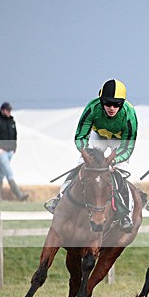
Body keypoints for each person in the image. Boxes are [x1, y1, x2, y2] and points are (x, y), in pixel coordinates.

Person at [45, 79, 138, 231]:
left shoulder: (129, 115)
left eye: (117, 104)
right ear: (101, 100)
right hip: (99, 137)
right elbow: (80, 136)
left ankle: (126, 214)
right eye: (108, 103)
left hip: (119, 142)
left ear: (122, 104)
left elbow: (127, 147)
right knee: (80, 165)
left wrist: (113, 161)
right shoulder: (92, 108)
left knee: (121, 173)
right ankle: (59, 199)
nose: (112, 108)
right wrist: (85, 154)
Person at [0, 102, 28, 202]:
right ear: (2, 110)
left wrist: (14, 147)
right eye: (7, 110)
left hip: (10, 152)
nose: (9, 112)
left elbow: (15, 135)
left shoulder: (12, 122)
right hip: (1, 152)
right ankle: (19, 195)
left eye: (10, 110)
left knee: (1, 174)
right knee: (9, 172)